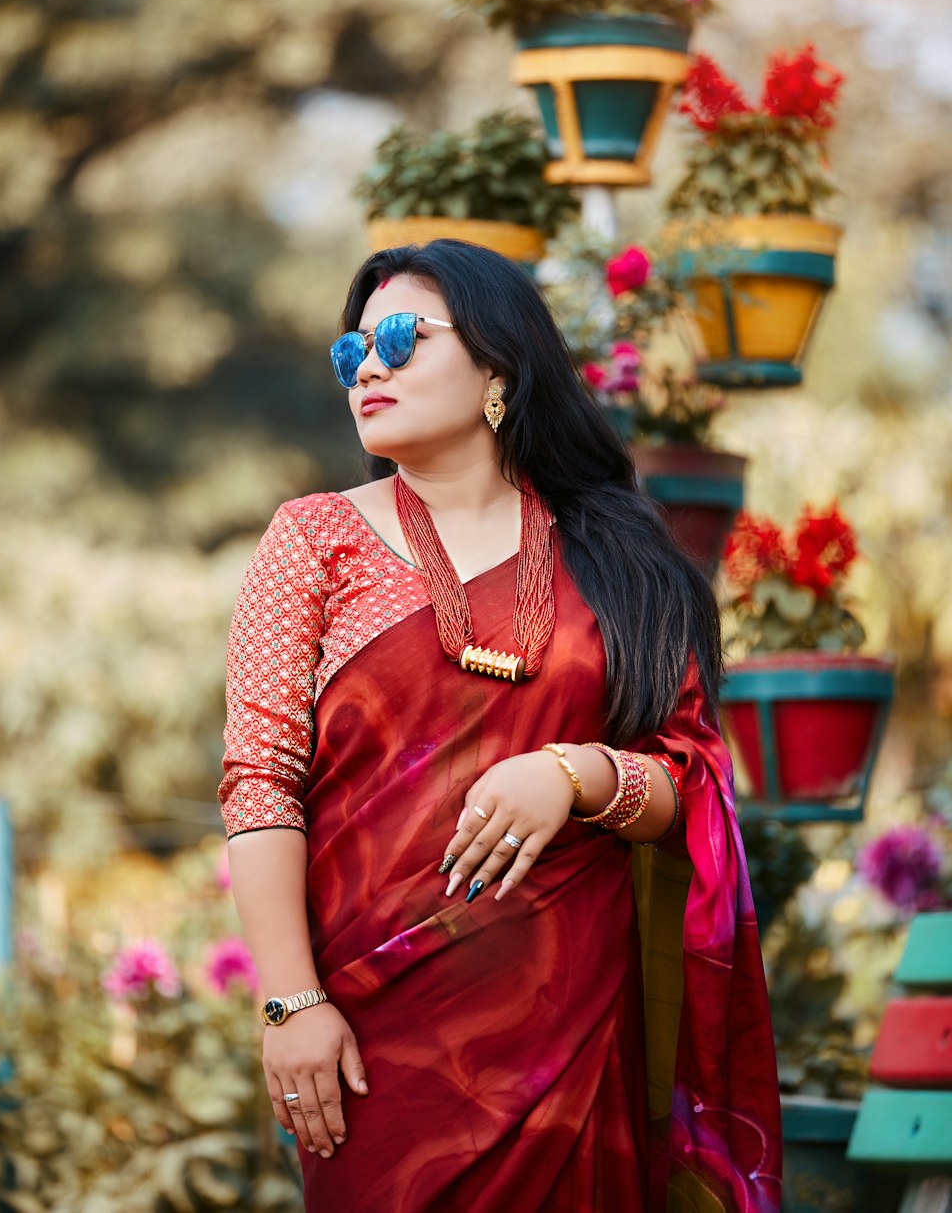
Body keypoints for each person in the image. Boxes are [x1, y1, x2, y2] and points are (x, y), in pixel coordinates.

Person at [218, 239, 782, 1212]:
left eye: (399, 337)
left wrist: (572, 775)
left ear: (498, 366)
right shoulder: (313, 539)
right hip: (370, 1039)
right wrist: (291, 1002)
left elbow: (688, 785)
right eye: (351, 352)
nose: (370, 367)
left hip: (570, 1033)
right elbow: (259, 781)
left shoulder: (624, 560)